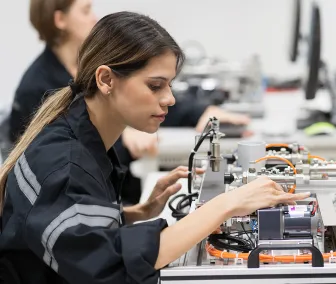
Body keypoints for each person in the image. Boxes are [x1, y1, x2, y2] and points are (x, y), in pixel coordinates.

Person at [0, 11, 309, 284]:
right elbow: (111, 265)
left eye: (169, 85)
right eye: (155, 85)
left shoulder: (81, 133)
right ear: (106, 79)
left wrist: (136, 213)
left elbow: (76, 231)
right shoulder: (65, 164)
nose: (170, 99)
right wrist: (227, 204)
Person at [9, 0, 251, 204]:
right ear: (60, 19)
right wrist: (223, 207)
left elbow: (144, 91)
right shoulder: (39, 89)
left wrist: (200, 111)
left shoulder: (80, 72)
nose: (93, 17)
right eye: (85, 10)